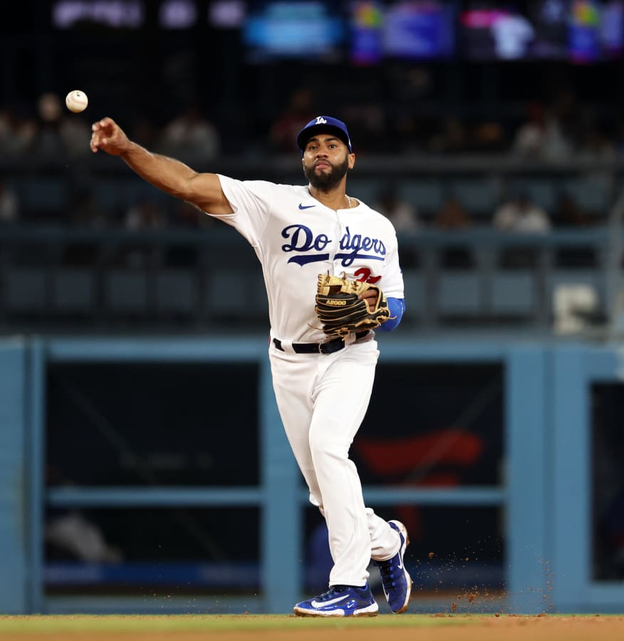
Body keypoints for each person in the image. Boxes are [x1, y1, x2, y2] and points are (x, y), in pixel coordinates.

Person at [90, 114, 411, 617]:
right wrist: (129, 148)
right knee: (324, 493)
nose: (320, 151)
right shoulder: (273, 203)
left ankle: (352, 587)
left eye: (332, 144)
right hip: (289, 360)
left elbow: (396, 308)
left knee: (330, 448)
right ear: (302, 158)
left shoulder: (378, 226)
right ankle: (388, 543)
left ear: (351, 158)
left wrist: (373, 309)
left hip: (351, 354)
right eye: (312, 145)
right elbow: (189, 185)